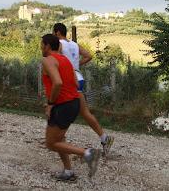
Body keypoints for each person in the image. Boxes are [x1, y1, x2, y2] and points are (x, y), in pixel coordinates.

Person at [41, 34, 102, 181]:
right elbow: (75, 82)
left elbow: (57, 83)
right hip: (73, 102)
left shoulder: (47, 60)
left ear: (48, 46)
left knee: (51, 143)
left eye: (42, 44)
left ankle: (88, 154)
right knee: (60, 138)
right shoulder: (66, 60)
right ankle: (68, 171)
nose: (41, 47)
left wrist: (50, 104)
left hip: (62, 105)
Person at [53, 23, 114, 156]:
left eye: (53, 33)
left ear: (57, 33)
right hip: (78, 78)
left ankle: (57, 140)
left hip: (68, 80)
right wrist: (76, 65)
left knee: (63, 110)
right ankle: (105, 138)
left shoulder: (58, 43)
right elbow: (89, 55)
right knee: (85, 113)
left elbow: (56, 61)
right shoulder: (74, 44)